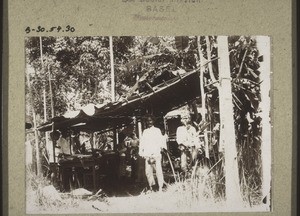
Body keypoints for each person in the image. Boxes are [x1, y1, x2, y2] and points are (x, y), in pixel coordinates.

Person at [139, 116, 167, 192]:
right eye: (148, 121)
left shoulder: (157, 130)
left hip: (156, 153)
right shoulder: (145, 131)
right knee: (148, 172)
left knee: (158, 171)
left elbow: (161, 141)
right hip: (148, 153)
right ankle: (152, 186)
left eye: (151, 120)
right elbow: (142, 142)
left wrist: (162, 148)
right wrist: (141, 152)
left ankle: (161, 187)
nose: (149, 122)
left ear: (153, 121)